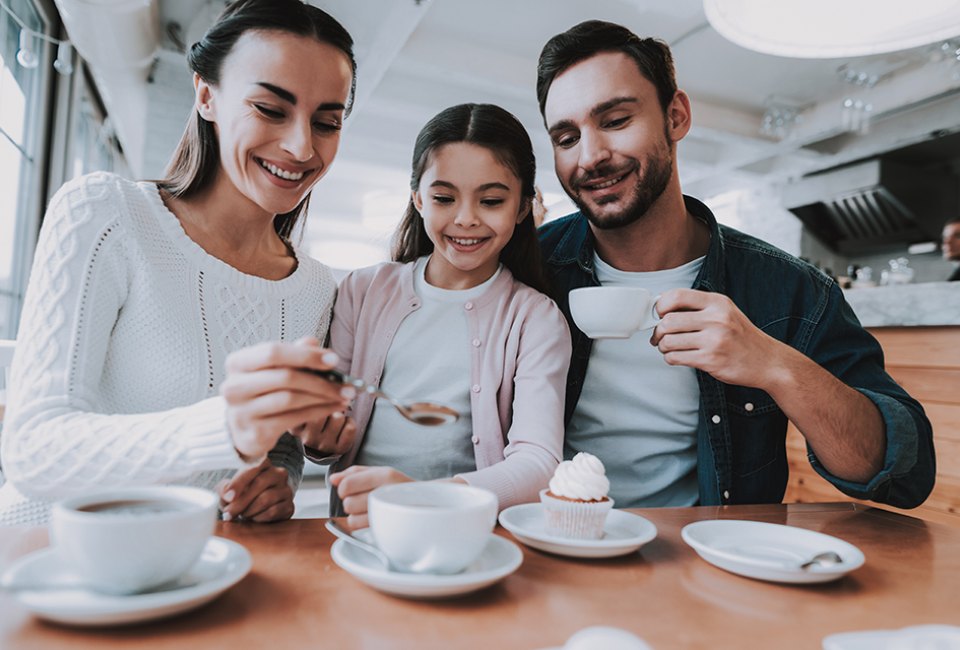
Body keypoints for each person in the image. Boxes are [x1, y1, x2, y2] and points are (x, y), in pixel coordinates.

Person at [535, 20, 935, 509]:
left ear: (676, 116)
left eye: (616, 121)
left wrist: (775, 365)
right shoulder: (527, 269)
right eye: (566, 137)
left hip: (709, 566)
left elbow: (903, 476)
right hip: (547, 554)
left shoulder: (790, 290)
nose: (591, 156)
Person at [0, 0, 356, 525]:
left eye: (327, 121)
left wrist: (279, 477)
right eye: (270, 109)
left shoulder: (315, 287)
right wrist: (225, 429)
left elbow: (275, 446)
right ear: (206, 95)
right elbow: (33, 449)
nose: (302, 145)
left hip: (192, 572)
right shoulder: (106, 214)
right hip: (48, 563)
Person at [323, 103, 571, 528]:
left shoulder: (535, 318)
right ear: (417, 197)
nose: (466, 219)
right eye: (443, 198)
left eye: (491, 200)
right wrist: (317, 431)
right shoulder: (362, 291)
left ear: (523, 208)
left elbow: (539, 463)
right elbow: (327, 440)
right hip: (356, 529)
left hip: (470, 534)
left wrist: (429, 499)